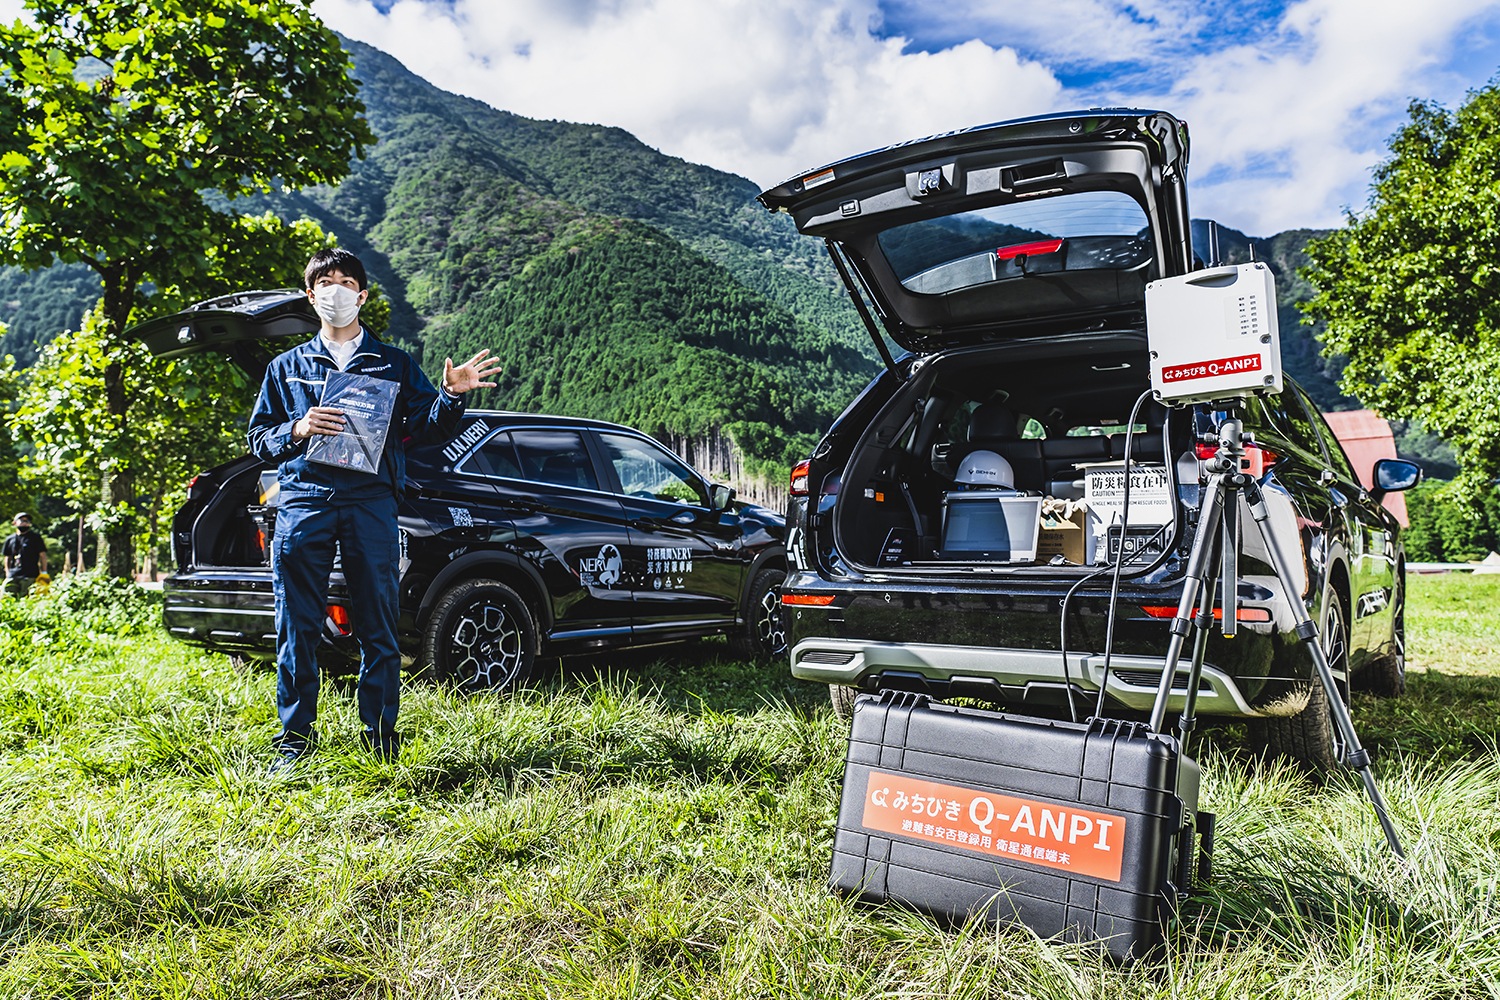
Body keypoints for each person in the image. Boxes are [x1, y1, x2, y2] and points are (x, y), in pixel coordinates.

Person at [248, 248, 500, 774]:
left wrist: (451, 397)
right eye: (325, 282)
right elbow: (258, 440)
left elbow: (429, 431)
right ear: (310, 295)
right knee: (296, 625)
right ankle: (294, 741)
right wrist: (297, 429)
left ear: (362, 295)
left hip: (372, 502)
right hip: (305, 502)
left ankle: (380, 739)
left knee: (378, 625)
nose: (336, 290)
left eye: (346, 282)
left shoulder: (395, 363)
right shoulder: (285, 368)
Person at [2, 513, 47, 598]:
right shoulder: (9, 539)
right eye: (22, 521)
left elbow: (43, 555)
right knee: (6, 597)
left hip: (30, 575)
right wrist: (7, 572)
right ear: (14, 523)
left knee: (27, 598)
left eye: (27, 521)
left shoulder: (35, 538)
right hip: (13, 574)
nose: (25, 523)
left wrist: (44, 572)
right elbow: (7, 557)